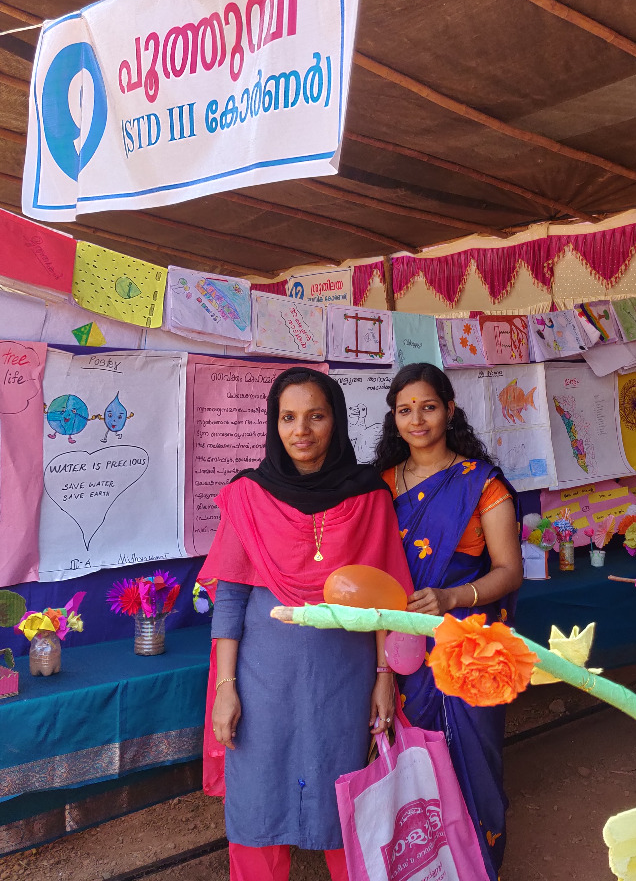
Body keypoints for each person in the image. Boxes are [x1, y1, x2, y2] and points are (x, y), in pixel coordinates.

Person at [200, 368, 414, 881]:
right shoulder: (247, 495)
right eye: (288, 417)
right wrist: (226, 688)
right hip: (261, 680)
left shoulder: (368, 495)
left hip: (344, 677)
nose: (301, 430)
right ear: (273, 424)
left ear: (335, 421)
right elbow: (230, 597)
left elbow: (387, 599)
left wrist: (384, 676)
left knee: (347, 798)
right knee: (257, 803)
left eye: (315, 416)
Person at [374, 362, 523, 881]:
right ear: (394, 418)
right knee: (412, 759)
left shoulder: (481, 484)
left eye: (428, 407)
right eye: (405, 410)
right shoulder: (379, 487)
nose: (416, 420)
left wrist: (451, 597)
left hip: (468, 647)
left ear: (450, 410)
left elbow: (509, 571)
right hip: (400, 649)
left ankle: (480, 863)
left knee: (475, 757)